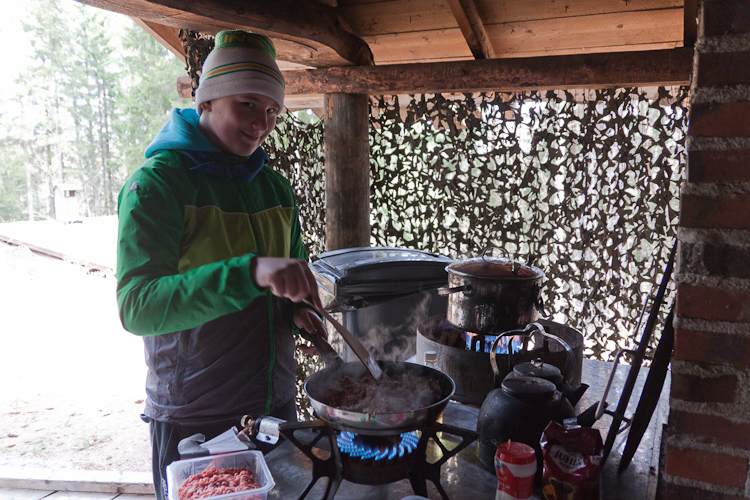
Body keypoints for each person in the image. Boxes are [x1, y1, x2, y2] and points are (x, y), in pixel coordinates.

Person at [115, 30, 327, 500]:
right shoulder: (156, 186)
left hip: (272, 406)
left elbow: (290, 278)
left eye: (272, 111)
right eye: (247, 104)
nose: (261, 123)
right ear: (206, 99)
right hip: (196, 414)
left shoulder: (274, 189)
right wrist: (249, 273)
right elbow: (137, 306)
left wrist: (298, 311)